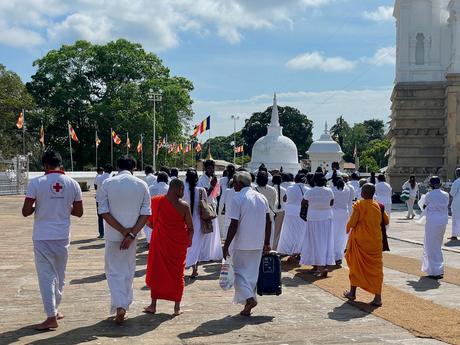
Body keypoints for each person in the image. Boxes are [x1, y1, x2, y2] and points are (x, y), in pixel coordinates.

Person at [22, 150, 83, 330]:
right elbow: (79, 212)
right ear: (60, 164)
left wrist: (38, 206)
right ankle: (55, 310)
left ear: (45, 166)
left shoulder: (37, 183)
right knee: (59, 275)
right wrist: (64, 208)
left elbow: (25, 211)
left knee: (46, 276)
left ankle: (51, 316)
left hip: (42, 235)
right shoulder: (72, 183)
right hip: (62, 235)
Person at [97, 155, 151, 324]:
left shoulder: (107, 183)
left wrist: (122, 231)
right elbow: (146, 214)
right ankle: (123, 304)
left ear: (117, 167)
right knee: (128, 270)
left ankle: (120, 305)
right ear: (134, 167)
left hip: (114, 234)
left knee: (113, 271)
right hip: (133, 236)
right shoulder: (141, 185)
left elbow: (103, 211)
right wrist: (131, 234)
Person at [223, 171, 271, 316]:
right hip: (257, 242)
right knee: (250, 276)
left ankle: (250, 299)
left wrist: (226, 245)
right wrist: (267, 242)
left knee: (237, 273)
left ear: (238, 183)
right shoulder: (261, 197)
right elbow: (268, 221)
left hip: (242, 243)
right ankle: (247, 306)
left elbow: (233, 224)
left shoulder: (238, 198)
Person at [145, 179, 194, 316]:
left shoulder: (156, 202)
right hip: (177, 246)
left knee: (157, 272)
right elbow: (191, 228)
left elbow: (149, 223)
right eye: (182, 189)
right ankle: (176, 308)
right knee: (177, 274)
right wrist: (187, 242)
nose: (183, 192)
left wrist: (161, 229)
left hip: (162, 243)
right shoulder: (184, 206)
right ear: (178, 189)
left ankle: (153, 305)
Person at [344, 183, 389, 307]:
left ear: (363, 193)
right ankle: (378, 297)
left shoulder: (359, 205)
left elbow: (353, 222)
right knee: (376, 270)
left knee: (355, 265)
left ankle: (352, 293)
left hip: (361, 242)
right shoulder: (378, 206)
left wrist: (347, 227)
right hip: (375, 243)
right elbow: (386, 220)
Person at [300, 172, 335, 277]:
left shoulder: (310, 192)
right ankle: (321, 265)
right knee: (325, 241)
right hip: (326, 218)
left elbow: (303, 203)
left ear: (314, 181)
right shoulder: (329, 191)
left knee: (314, 241)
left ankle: (318, 266)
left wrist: (314, 205)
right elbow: (331, 203)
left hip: (313, 217)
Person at [422, 176, 449, 279]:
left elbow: (424, 206)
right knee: (438, 244)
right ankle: (439, 268)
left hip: (432, 221)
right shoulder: (445, 194)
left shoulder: (428, 195)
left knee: (431, 245)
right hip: (443, 221)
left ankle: (434, 271)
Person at [277, 173, 307, 259]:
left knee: (288, 232)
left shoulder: (290, 188)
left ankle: (287, 250)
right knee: (300, 233)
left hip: (290, 212)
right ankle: (298, 251)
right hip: (301, 213)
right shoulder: (307, 189)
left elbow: (284, 199)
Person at [197, 160, 223, 261]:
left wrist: (215, 185)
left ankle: (211, 254)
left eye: (212, 168)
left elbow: (216, 194)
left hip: (213, 207)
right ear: (205, 169)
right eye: (209, 168)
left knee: (213, 232)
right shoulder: (202, 180)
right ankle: (204, 255)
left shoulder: (215, 179)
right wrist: (212, 186)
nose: (211, 170)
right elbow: (204, 196)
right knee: (207, 232)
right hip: (206, 209)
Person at [184, 169, 207, 278]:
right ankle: (195, 269)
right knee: (196, 247)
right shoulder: (202, 190)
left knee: (186, 246)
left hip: (185, 222)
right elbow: (206, 205)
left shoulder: (182, 190)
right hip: (199, 223)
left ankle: (184, 266)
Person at [331, 177, 354, 266]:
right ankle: (339, 257)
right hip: (344, 213)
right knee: (342, 236)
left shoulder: (331, 189)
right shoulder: (347, 189)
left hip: (334, 213)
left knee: (333, 235)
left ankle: (333, 255)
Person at [144, 172, 169, 245]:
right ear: (167, 179)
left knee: (150, 228)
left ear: (157, 179)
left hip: (152, 211)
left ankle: (150, 242)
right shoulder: (169, 188)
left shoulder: (151, 188)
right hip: (165, 212)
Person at [254, 171, 277, 245]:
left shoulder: (253, 189)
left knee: (258, 235)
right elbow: (274, 203)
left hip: (257, 215)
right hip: (270, 215)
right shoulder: (273, 190)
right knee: (269, 235)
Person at [94, 164, 113, 239]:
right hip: (110, 200)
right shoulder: (112, 178)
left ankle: (101, 233)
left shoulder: (98, 177)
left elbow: (95, 187)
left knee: (100, 217)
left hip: (99, 199)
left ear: (104, 170)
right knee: (111, 217)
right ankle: (109, 233)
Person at [271, 175, 287, 250]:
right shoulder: (284, 189)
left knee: (270, 229)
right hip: (281, 211)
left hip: (271, 211)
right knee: (278, 231)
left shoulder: (270, 189)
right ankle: (275, 247)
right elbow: (285, 200)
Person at [449, 169, 460, 240]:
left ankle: (454, 235)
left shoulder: (457, 181)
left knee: (455, 219)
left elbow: (452, 193)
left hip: (457, 203)